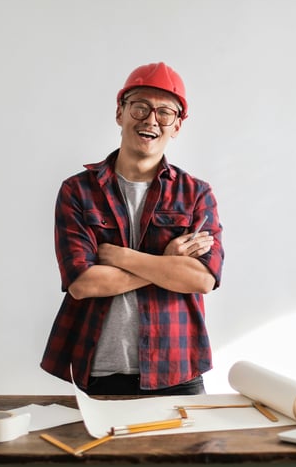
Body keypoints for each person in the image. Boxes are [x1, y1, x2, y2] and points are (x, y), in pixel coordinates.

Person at [40, 62, 224, 396]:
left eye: (165, 112)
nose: (151, 120)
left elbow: (202, 280)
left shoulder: (197, 193)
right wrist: (167, 261)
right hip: (100, 372)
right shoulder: (78, 191)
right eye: (140, 107)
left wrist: (120, 256)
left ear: (178, 126)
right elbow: (83, 284)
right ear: (120, 113)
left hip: (178, 371)